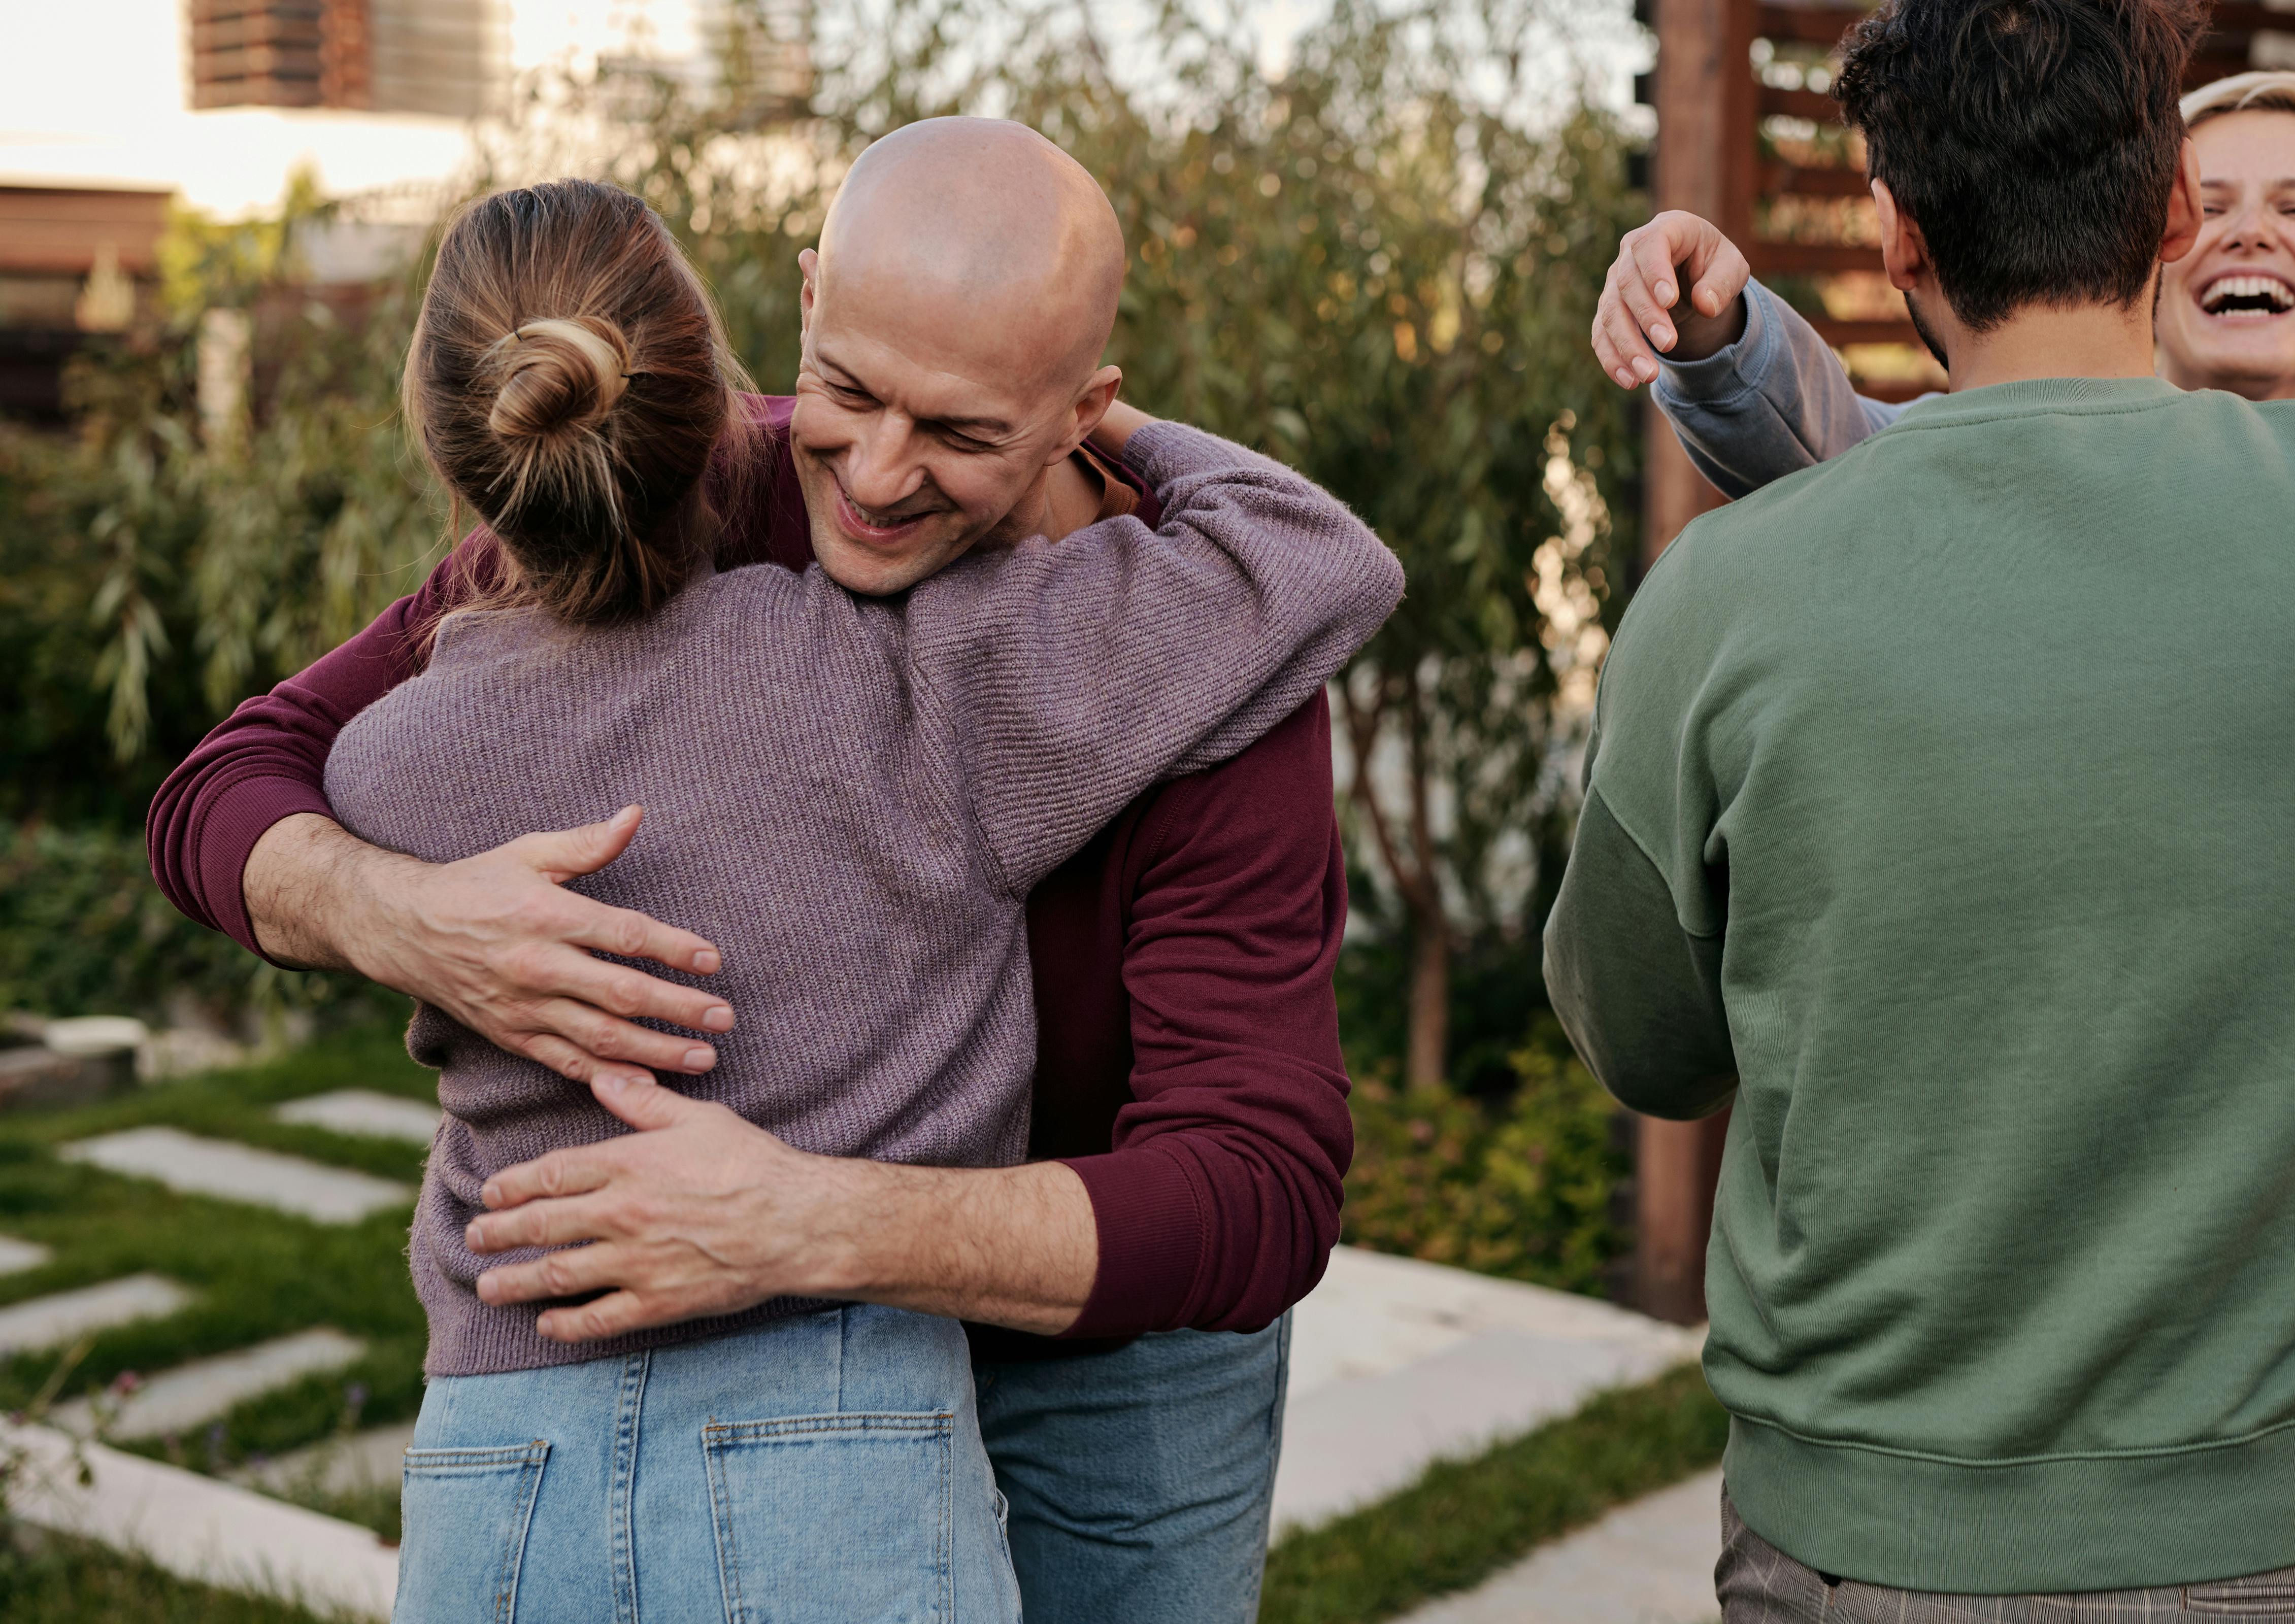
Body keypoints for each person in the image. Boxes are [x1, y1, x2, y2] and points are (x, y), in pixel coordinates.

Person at [149, 121, 1385, 1622]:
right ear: (806, 299)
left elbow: (1256, 1194)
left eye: (962, 432)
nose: (869, 475)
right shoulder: (668, 482)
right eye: (849, 391)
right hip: (737, 1336)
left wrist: (807, 1218)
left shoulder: (1210, 647)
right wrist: (409, 916)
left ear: (1085, 412)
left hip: (1106, 1338)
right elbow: (226, 788)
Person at [1543, 0, 2295, 1610]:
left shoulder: (1723, 600)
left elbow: (1644, 1046)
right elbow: (1841, 434)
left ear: (1893, 236)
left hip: (1872, 1548)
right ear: (2169, 220)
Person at [1592, 68, 2295, 496]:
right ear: (2166, 233)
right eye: (2219, 204)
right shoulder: (2034, 452)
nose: (2252, 233)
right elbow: (1840, 439)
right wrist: (1713, 321)